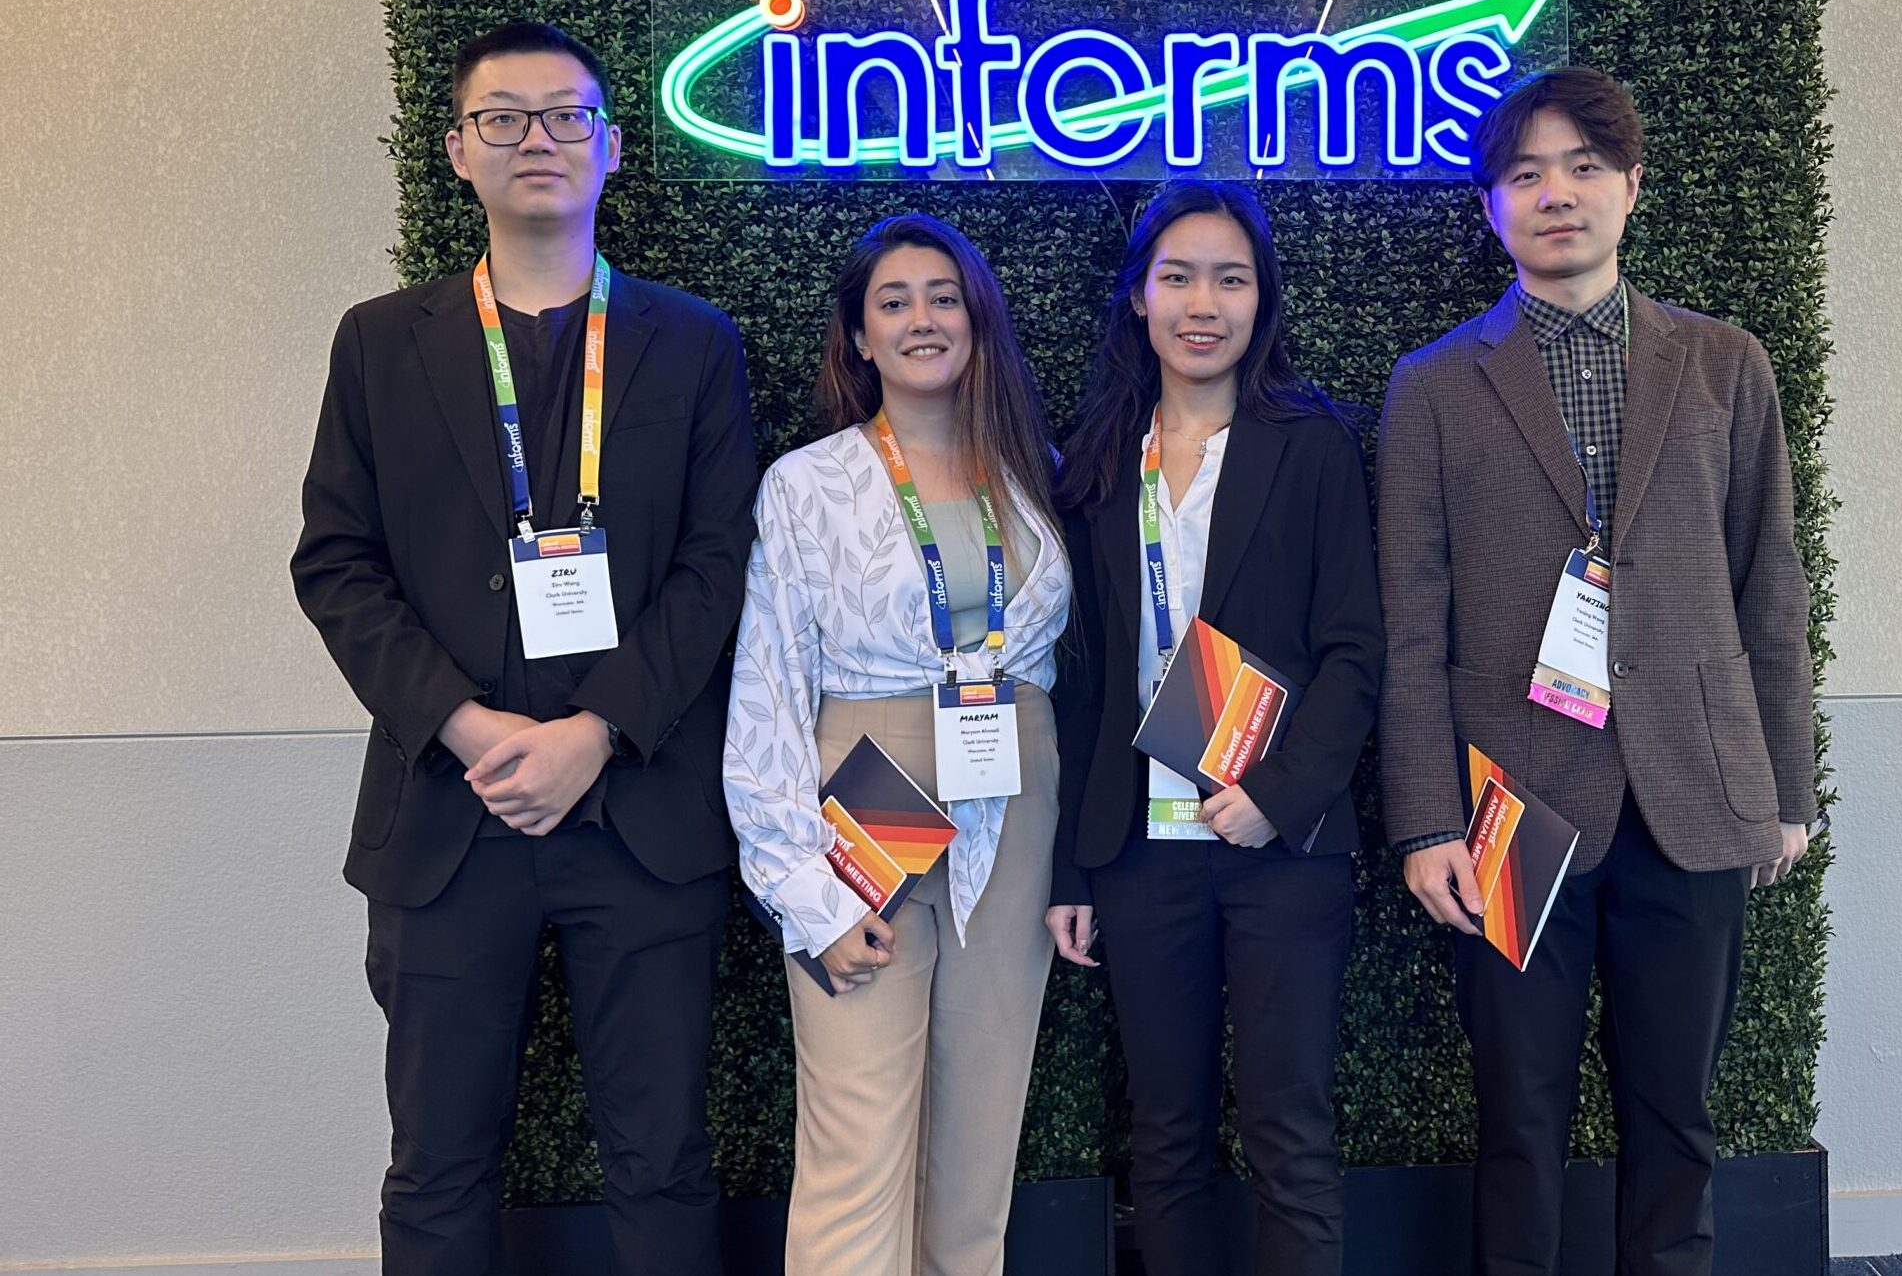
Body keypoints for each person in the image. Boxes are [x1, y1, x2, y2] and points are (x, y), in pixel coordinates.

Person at [291, 21, 757, 1274]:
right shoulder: (379, 342)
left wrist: (595, 732)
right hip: (450, 819)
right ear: (457, 149)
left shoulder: (692, 341)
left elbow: (718, 565)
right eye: (502, 117)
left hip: (641, 815)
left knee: (662, 1159)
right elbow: (335, 562)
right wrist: (468, 724)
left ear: (610, 145)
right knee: (437, 1164)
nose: (535, 138)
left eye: (564, 115)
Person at [1374, 66, 1817, 1276]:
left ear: (1629, 186)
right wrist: (1426, 819)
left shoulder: (1725, 364)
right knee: (1516, 1122)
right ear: (1490, 205)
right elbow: (1409, 622)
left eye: (1580, 167)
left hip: (1695, 790)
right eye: (1523, 174)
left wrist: (1786, 788)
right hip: (1510, 804)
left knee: (1674, 1119)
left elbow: (1768, 585)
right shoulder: (1431, 384)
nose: (1553, 193)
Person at [721, 213, 1071, 1276]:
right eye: (893, 301)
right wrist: (804, 893)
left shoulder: (1036, 472)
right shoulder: (806, 484)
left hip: (1014, 812)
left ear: (977, 320)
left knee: (977, 1154)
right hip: (862, 815)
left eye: (942, 297)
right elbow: (768, 687)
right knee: (857, 1146)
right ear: (859, 336)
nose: (922, 318)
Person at [1047, 180, 1385, 1276]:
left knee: (1290, 1130)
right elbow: (1083, 678)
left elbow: (1354, 649)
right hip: (1139, 851)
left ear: (1261, 299)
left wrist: (1275, 795)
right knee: (1166, 1137)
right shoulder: (1098, 457)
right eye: (1178, 276)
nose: (1203, 303)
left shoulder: (1312, 443)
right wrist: (1073, 866)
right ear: (1137, 296)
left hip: (1280, 844)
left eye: (1230, 279)